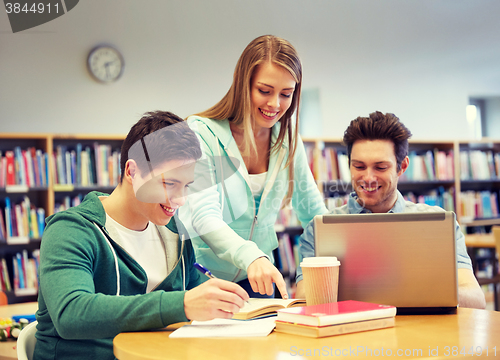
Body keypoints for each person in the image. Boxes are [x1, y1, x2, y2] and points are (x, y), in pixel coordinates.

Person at [34, 111, 249, 360]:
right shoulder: (70, 230)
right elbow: (71, 314)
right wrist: (182, 304)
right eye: (169, 184)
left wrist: (222, 300)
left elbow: (194, 292)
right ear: (132, 171)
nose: (179, 200)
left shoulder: (174, 233)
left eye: (186, 186)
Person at [178, 35, 328, 299]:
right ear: (243, 85)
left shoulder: (288, 140)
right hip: (203, 279)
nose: (275, 105)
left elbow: (314, 214)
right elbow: (203, 216)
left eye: (286, 94)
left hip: (259, 281)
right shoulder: (201, 133)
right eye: (264, 90)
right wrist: (251, 256)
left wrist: (315, 268)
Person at [296, 111, 486, 309]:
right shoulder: (318, 230)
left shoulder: (439, 224)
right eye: (359, 166)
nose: (368, 178)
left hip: (421, 334)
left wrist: (410, 290)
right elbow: (302, 299)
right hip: (350, 335)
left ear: (401, 166)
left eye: (380, 167)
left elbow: (476, 300)